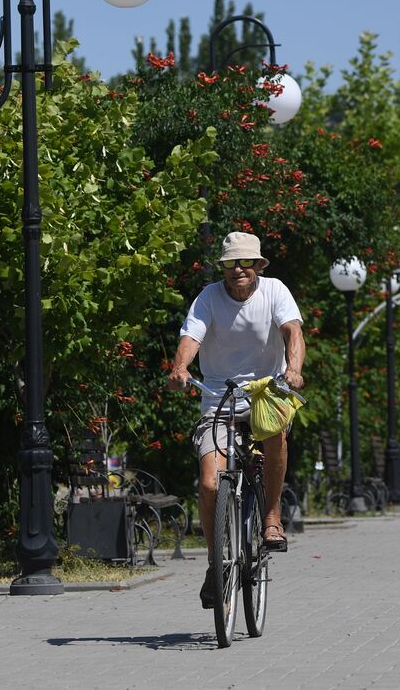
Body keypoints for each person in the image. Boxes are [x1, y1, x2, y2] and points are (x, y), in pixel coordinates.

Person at [167, 232, 305, 609]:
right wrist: (180, 368)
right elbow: (191, 336)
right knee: (211, 483)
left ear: (258, 266)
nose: (238, 270)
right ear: (223, 268)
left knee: (276, 436)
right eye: (230, 263)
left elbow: (293, 331)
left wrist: (293, 370)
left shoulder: (275, 291)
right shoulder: (209, 297)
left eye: (245, 263)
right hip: (218, 395)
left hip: (267, 391)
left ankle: (272, 517)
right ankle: (216, 563)